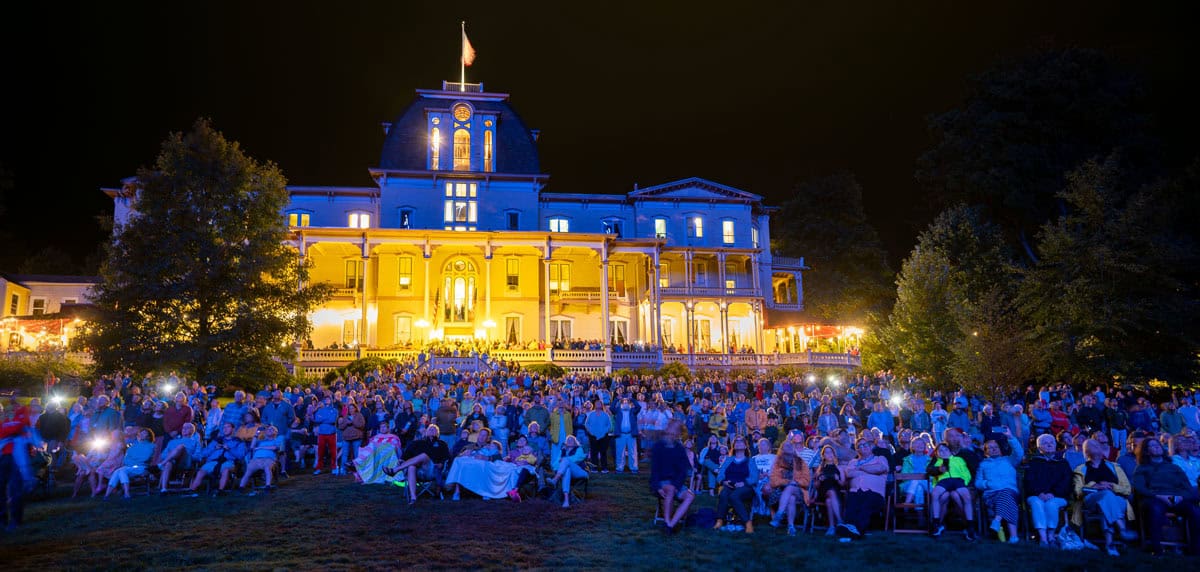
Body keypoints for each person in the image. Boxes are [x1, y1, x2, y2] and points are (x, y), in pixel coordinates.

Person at [1131, 437, 1200, 554]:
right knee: (1155, 509)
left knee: (1195, 511)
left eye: (1157, 444)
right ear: (1146, 451)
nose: (1157, 447)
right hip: (1155, 498)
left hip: (1177, 498)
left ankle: (1195, 550)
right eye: (1152, 446)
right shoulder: (1142, 468)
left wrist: (1181, 497)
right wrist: (1159, 496)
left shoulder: (1174, 467)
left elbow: (1187, 488)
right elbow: (1140, 488)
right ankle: (1156, 549)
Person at [1072, 438, 1136, 556]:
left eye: (1097, 445)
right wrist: (1096, 486)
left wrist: (1112, 486)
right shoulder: (1081, 469)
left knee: (1107, 499)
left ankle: (1109, 544)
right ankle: (1122, 529)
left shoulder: (1115, 467)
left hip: (1116, 499)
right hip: (1092, 500)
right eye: (1092, 445)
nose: (1096, 447)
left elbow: (1127, 489)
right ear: (1086, 451)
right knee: (1106, 496)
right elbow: (1078, 492)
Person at [1023, 433, 1073, 546]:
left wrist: (1053, 493)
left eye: (1051, 442)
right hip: (1036, 495)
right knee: (1036, 503)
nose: (1049, 444)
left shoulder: (1063, 463)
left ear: (1056, 445)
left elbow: (1067, 481)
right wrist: (1039, 493)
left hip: (1058, 496)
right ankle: (1043, 538)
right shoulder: (1033, 463)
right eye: (1045, 443)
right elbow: (1029, 481)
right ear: (1039, 448)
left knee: (1051, 504)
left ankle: (1051, 535)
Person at [975, 432, 1024, 544]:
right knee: (1008, 500)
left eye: (996, 447)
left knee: (1006, 493)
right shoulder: (983, 464)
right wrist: (988, 484)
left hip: (1010, 492)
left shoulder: (1009, 460)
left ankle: (997, 520)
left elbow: (1019, 453)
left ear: (1000, 449)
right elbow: (978, 483)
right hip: (991, 494)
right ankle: (1013, 537)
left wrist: (1010, 437)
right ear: (986, 452)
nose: (994, 449)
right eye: (990, 448)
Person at [837, 438, 889, 540]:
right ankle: (851, 528)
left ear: (871, 447)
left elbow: (881, 468)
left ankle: (855, 530)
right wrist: (871, 470)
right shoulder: (853, 461)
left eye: (865, 445)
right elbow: (850, 473)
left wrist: (861, 467)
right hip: (855, 492)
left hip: (875, 493)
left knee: (867, 502)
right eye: (860, 446)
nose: (863, 447)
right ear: (857, 450)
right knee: (852, 500)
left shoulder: (880, 458)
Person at [650, 419, 695, 534]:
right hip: (661, 482)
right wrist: (658, 487)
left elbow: (682, 471)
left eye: (677, 430)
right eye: (672, 428)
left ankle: (670, 524)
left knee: (690, 496)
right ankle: (667, 522)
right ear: (668, 429)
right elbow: (654, 470)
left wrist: (676, 485)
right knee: (669, 489)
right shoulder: (658, 447)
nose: (674, 432)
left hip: (676, 483)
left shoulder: (679, 449)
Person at [927, 441, 976, 540]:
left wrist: (964, 483)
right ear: (937, 453)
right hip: (944, 481)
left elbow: (966, 473)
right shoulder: (937, 462)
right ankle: (936, 522)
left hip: (958, 480)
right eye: (940, 450)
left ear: (951, 451)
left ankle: (970, 524)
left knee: (965, 495)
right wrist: (939, 470)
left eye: (946, 450)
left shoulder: (959, 460)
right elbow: (932, 473)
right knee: (935, 494)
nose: (943, 452)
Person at [394, 425, 451, 505]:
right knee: (411, 467)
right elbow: (407, 453)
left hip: (432, 470)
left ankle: (396, 469)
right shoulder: (418, 443)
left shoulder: (442, 444)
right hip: (418, 471)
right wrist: (401, 459)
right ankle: (413, 498)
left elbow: (446, 456)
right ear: (426, 432)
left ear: (438, 433)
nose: (432, 430)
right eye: (430, 429)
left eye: (434, 429)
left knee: (423, 456)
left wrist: (441, 463)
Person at [713, 435, 759, 533]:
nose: (738, 443)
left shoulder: (750, 461)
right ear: (733, 446)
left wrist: (744, 483)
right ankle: (720, 520)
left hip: (745, 486)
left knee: (734, 496)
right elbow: (720, 474)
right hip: (729, 485)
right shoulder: (728, 460)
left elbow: (754, 477)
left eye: (741, 441)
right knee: (723, 494)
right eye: (736, 442)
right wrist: (723, 481)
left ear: (745, 446)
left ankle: (748, 523)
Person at [185, 422, 245, 496]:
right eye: (224, 427)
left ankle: (220, 491)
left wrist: (229, 449)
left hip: (228, 461)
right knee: (201, 471)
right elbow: (204, 453)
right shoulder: (216, 441)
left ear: (233, 429)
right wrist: (214, 448)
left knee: (226, 470)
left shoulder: (238, 441)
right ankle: (191, 490)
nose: (225, 429)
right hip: (213, 461)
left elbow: (241, 456)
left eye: (228, 427)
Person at [766, 441, 810, 536]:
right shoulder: (777, 463)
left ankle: (779, 514)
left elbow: (806, 481)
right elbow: (773, 481)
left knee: (791, 488)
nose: (789, 447)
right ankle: (791, 527)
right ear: (782, 449)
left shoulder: (800, 461)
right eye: (786, 445)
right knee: (791, 498)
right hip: (781, 492)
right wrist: (787, 482)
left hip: (799, 491)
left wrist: (796, 482)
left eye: (790, 445)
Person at [103, 428, 156, 500]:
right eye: (141, 433)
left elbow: (145, 458)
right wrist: (134, 461)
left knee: (122, 471)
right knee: (118, 471)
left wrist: (133, 461)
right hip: (130, 467)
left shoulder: (151, 446)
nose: (141, 434)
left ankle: (126, 494)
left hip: (142, 467)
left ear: (149, 436)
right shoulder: (133, 446)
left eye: (144, 433)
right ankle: (107, 495)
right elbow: (126, 459)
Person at [156, 422, 201, 494]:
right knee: (168, 463)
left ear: (192, 431)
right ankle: (164, 489)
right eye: (183, 428)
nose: (184, 429)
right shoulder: (172, 441)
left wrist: (187, 455)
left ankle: (161, 464)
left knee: (181, 446)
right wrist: (172, 454)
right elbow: (163, 455)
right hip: (172, 461)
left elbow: (198, 457)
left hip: (185, 461)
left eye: (187, 428)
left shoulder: (195, 442)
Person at [238, 425, 283, 494]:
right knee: (249, 470)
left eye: (272, 429)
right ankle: (241, 488)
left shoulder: (277, 439)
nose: (269, 430)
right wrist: (256, 434)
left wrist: (259, 448)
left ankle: (267, 486)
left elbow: (274, 447)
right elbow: (252, 447)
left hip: (269, 458)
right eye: (268, 429)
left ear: (276, 432)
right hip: (256, 459)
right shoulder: (260, 441)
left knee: (267, 468)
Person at [548, 434, 588, 508]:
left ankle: (555, 479)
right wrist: (563, 462)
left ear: (575, 442)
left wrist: (564, 460)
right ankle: (566, 500)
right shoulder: (562, 451)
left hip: (580, 471)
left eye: (571, 440)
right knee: (567, 470)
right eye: (568, 440)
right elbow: (555, 465)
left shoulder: (579, 449)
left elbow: (578, 458)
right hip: (568, 471)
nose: (569, 441)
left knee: (566, 460)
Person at [814, 444, 845, 534]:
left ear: (834, 454)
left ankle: (831, 527)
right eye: (826, 453)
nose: (829, 454)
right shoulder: (820, 469)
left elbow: (843, 484)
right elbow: (816, 486)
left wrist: (837, 479)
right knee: (830, 492)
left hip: (836, 493)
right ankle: (840, 520)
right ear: (823, 456)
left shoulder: (839, 468)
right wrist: (820, 480)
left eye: (831, 452)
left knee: (829, 500)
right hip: (822, 492)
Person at [610, 397, 641, 474]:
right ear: (621, 403)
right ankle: (619, 468)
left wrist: (632, 399)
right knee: (620, 452)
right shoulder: (618, 411)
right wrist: (617, 399)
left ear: (629, 403)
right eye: (624, 401)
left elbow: (638, 407)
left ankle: (634, 468)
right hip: (620, 434)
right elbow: (611, 408)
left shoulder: (633, 411)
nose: (625, 402)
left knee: (632, 452)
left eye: (627, 401)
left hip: (631, 434)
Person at [312, 396, 339, 475]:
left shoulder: (334, 410)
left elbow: (333, 420)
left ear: (331, 401)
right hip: (322, 433)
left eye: (328, 399)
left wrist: (323, 419)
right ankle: (319, 468)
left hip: (331, 433)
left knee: (333, 451)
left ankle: (334, 467)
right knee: (320, 452)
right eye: (326, 399)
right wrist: (326, 419)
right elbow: (317, 419)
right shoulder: (320, 410)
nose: (327, 400)